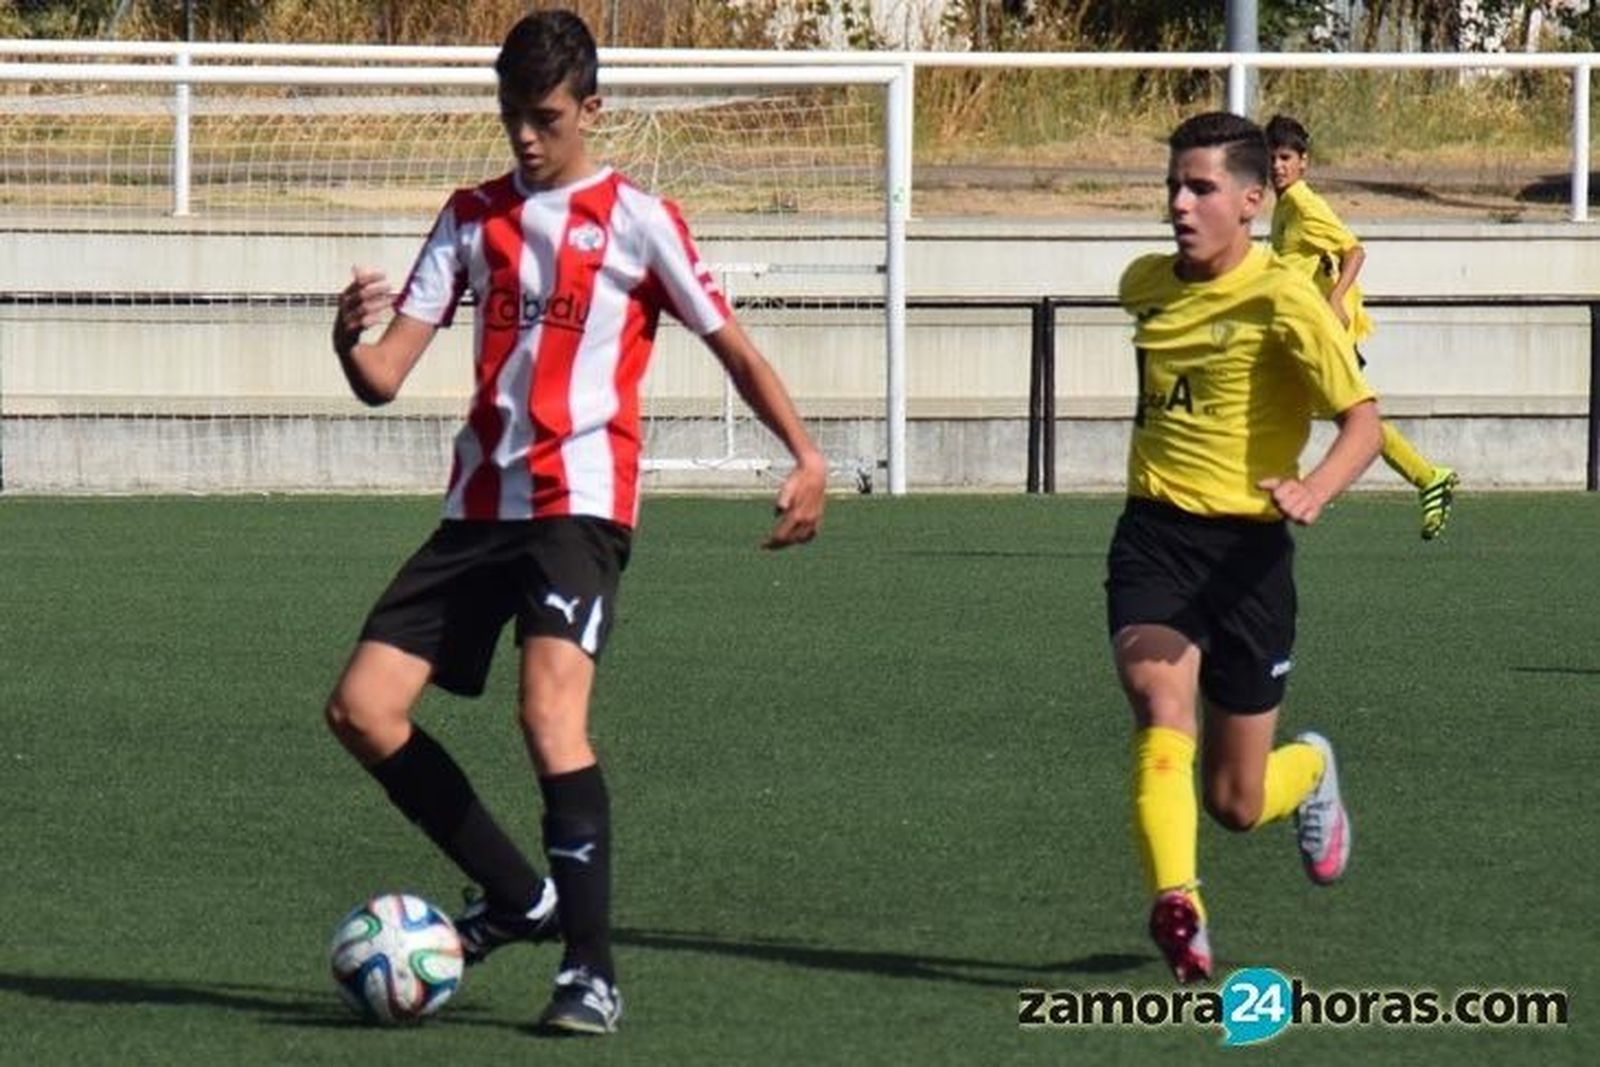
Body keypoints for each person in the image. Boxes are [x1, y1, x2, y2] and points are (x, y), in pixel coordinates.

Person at [323, 11, 826, 1035]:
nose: (524, 136)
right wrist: (346, 339)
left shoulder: (639, 220)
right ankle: (521, 894)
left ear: (592, 111)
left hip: (578, 507)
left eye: (544, 117)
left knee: (548, 715)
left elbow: (733, 348)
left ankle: (590, 970)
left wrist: (805, 455)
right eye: (511, 115)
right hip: (476, 511)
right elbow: (384, 374)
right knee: (360, 709)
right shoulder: (469, 218)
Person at [1110, 111, 1380, 983]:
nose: (1180, 205)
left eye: (1202, 188)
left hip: (1251, 559)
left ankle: (1310, 769)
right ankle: (1179, 905)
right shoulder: (1144, 282)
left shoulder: (1286, 300)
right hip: (1155, 539)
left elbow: (1364, 425)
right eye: (1173, 187)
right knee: (1163, 712)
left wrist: (1316, 487)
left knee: (1236, 799)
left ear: (1254, 200)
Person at [1265, 113, 1458, 540]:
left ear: (1303, 162)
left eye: (1285, 157)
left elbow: (1353, 250)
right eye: (1272, 158)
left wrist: (1335, 300)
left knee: (1351, 418)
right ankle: (1426, 477)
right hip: (1305, 331)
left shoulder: (1302, 202)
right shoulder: (1285, 205)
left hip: (1325, 331)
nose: (1277, 166)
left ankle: (1426, 477)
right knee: (1345, 416)